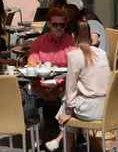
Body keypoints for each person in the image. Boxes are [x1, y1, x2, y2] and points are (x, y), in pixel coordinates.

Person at [45, 22, 112, 151]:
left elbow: (71, 89)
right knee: (69, 103)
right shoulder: (102, 54)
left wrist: (68, 113)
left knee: (67, 101)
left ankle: (63, 144)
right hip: (107, 108)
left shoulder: (74, 55)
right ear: (89, 35)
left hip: (90, 111)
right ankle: (60, 140)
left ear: (73, 36)